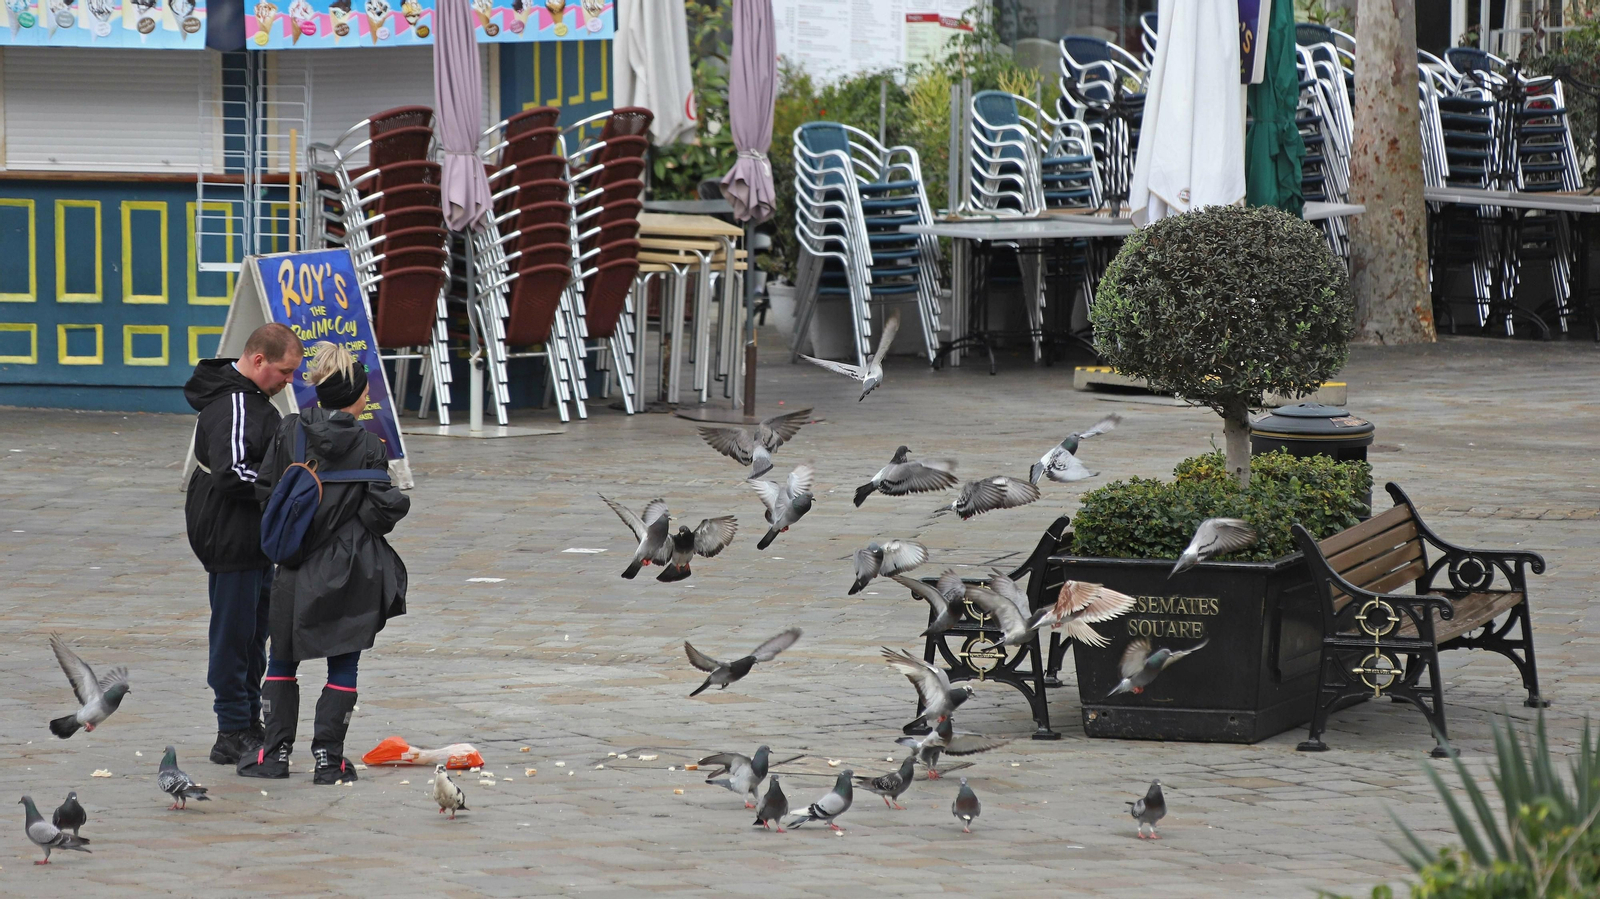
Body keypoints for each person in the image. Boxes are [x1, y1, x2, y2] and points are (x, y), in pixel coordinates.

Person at [239, 341, 409, 784]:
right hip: (351, 567)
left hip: (295, 564)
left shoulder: (291, 431)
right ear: (354, 397)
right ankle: (328, 761)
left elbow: (266, 492)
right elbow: (379, 515)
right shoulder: (371, 445)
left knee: (281, 659)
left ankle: (273, 756)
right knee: (344, 663)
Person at [185, 322, 304, 766]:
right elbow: (234, 472)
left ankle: (248, 721)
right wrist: (288, 489)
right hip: (230, 532)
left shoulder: (253, 398)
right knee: (235, 633)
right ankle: (231, 728)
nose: (288, 381)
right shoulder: (235, 402)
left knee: (256, 631)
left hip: (252, 535)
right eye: (284, 371)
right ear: (258, 361)